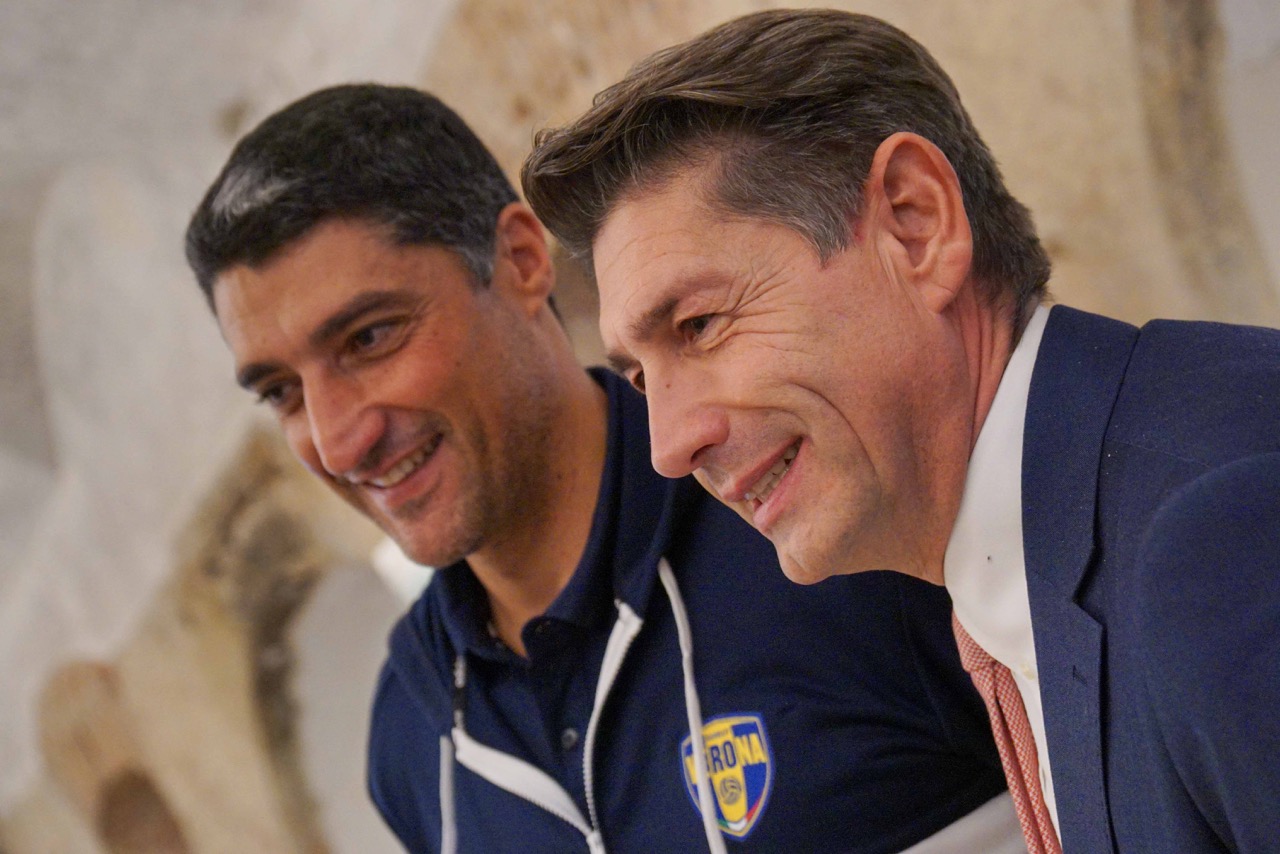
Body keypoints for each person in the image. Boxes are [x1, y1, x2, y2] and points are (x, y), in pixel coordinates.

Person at [184, 84, 1020, 853]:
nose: (337, 442)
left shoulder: (834, 523)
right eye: (281, 392)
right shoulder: (410, 739)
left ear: (521, 260)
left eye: (369, 338)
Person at [522, 9, 1280, 854]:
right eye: (638, 377)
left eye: (699, 325)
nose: (668, 445)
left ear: (915, 225)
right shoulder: (1047, 572)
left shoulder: (1222, 533)